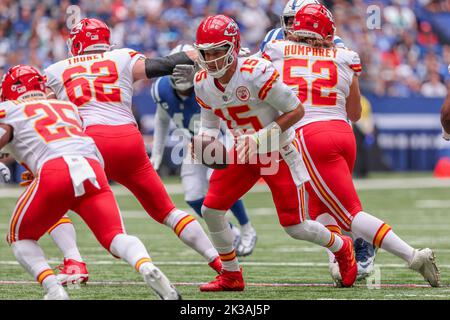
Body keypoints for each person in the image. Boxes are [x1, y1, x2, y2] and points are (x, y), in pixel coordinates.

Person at [262, 3, 440, 287]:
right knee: (319, 204)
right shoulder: (345, 55)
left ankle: (413, 256)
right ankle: (341, 259)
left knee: (350, 214)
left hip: (309, 135)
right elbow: (355, 113)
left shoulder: (275, 50)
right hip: (343, 133)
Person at [42, 18, 221, 285]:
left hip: (89, 144)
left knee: (51, 203)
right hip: (128, 141)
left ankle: (74, 261)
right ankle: (222, 264)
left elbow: (38, 110)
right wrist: (203, 54)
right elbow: (162, 65)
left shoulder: (56, 69)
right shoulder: (121, 57)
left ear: (77, 43)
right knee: (167, 211)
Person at [193, 14, 358, 291]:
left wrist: (259, 139)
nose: (211, 59)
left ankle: (342, 246)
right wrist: (203, 144)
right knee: (211, 209)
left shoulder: (256, 71)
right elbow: (209, 125)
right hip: (244, 151)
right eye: (205, 53)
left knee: (295, 226)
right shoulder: (202, 82)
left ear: (233, 47)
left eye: (217, 51)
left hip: (278, 152)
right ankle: (231, 275)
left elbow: (296, 110)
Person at [0, 65, 180, 300]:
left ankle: (54, 291)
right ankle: (145, 265)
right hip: (92, 169)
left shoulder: (9, 109)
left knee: (20, 236)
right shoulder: (66, 106)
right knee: (115, 235)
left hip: (55, 169)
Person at [259, 0, 377, 282]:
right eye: (288, 20)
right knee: (318, 201)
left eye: (295, 20)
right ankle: (348, 250)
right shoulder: (274, 41)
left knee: (329, 199)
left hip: (319, 127)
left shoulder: (331, 43)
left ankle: (360, 243)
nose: (291, 27)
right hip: (292, 130)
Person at [151, 44, 257, 257]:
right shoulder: (162, 89)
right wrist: (157, 154)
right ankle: (231, 231)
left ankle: (247, 229)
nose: (183, 89)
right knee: (193, 194)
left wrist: (235, 142)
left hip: (221, 135)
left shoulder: (208, 83)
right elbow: (161, 120)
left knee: (217, 178)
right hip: (194, 142)